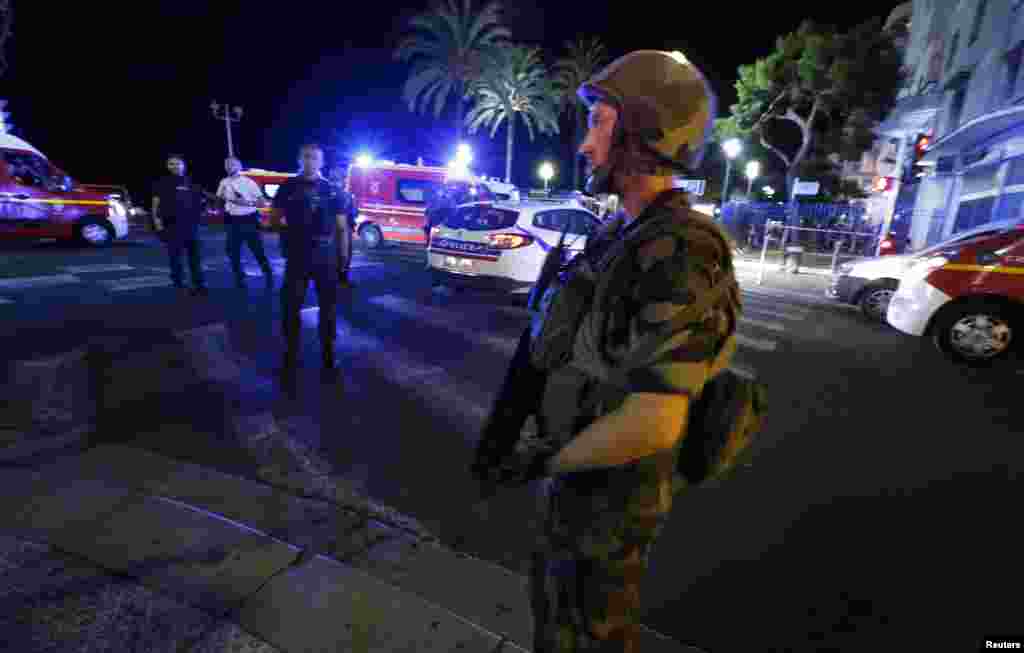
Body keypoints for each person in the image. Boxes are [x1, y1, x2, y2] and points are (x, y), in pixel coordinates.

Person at [470, 50, 741, 652]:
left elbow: (653, 421)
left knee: (589, 634)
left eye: (599, 123)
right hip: (579, 476)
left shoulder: (682, 248)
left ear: (645, 134)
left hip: (612, 497)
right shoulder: (617, 231)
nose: (585, 145)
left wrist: (540, 459)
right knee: (555, 617)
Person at [271, 144, 345, 383]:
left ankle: (328, 354)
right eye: (306, 156)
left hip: (325, 256)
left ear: (321, 161)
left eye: (314, 157)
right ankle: (290, 354)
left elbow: (342, 228)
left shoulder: (333, 190)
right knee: (291, 306)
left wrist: (343, 259)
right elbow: (274, 218)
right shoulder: (287, 187)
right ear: (299, 159)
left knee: (329, 307)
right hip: (297, 255)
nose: (310, 160)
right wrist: (288, 236)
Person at [152, 154, 208, 296]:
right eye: (171, 164)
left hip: (191, 226)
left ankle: (198, 284)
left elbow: (201, 202)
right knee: (175, 258)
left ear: (184, 165)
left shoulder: (192, 183)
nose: (175, 166)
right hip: (172, 225)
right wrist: (158, 225)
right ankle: (179, 285)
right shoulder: (162, 183)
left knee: (195, 257)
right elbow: (155, 205)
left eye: (177, 163)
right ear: (167, 166)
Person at [217, 157, 274, 290]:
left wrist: (247, 203)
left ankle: (268, 274)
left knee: (257, 250)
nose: (229, 166)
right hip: (232, 221)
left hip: (249, 220)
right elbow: (220, 199)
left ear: (239, 165)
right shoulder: (223, 182)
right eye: (227, 164)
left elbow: (262, 202)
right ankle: (239, 279)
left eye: (232, 164)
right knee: (232, 252)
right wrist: (221, 202)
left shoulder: (249, 182)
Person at [328, 164, 358, 288]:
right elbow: (352, 214)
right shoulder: (346, 195)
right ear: (343, 179)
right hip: (344, 229)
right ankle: (343, 278)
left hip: (328, 231)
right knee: (345, 255)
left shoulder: (325, 192)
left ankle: (332, 279)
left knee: (331, 256)